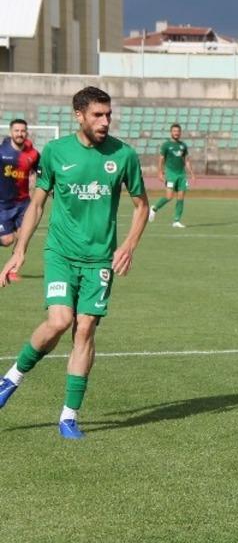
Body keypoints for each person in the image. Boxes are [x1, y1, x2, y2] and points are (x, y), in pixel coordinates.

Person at [0, 86, 149, 440]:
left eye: (108, 114)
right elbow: (37, 204)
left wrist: (128, 245)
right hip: (61, 254)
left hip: (99, 259)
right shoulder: (55, 152)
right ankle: (11, 379)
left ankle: (68, 416)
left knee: (84, 329)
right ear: (78, 115)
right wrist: (20, 251)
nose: (105, 121)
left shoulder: (124, 155)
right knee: (59, 321)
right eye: (98, 115)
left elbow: (141, 206)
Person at [1, 118, 41, 281]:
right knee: (7, 240)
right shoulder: (2, 152)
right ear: (11, 132)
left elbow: (39, 172)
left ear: (27, 132)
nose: (20, 134)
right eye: (16, 131)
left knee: (22, 236)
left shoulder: (33, 154)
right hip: (2, 204)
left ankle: (12, 270)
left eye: (22, 131)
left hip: (23, 203)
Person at [149, 122, 192, 228]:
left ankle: (176, 220)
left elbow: (186, 160)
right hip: (171, 174)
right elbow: (161, 159)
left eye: (178, 131)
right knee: (169, 197)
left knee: (181, 197)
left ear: (180, 133)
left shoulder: (183, 145)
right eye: (174, 131)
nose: (176, 133)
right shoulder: (166, 145)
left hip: (181, 174)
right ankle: (154, 208)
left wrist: (192, 173)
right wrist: (160, 172)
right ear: (171, 133)